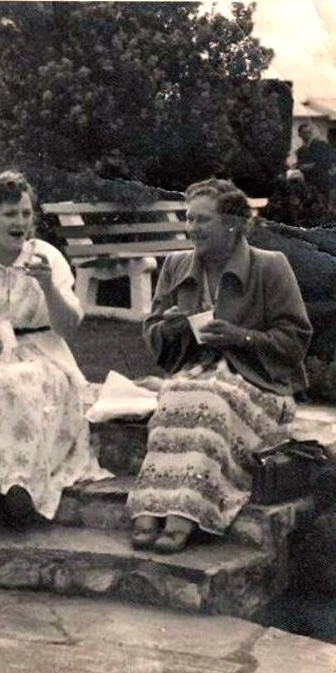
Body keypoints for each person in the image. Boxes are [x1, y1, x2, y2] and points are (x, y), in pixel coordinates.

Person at [127, 179, 312, 554]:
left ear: (231, 223)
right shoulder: (177, 265)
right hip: (198, 379)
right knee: (176, 392)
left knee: (208, 398)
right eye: (189, 219)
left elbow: (294, 341)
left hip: (261, 387)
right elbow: (154, 335)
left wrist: (239, 337)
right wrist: (171, 328)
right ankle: (150, 505)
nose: (192, 228)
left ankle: (186, 512)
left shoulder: (270, 267)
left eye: (203, 220)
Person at [0, 171, 111, 530]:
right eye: (10, 214)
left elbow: (68, 327)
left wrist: (48, 286)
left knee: (25, 379)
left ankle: (20, 485)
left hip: (43, 352)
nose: (21, 223)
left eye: (26, 214)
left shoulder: (46, 258)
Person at [295, 123, 332, 213]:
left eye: (309, 132)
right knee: (311, 207)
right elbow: (300, 165)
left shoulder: (321, 145)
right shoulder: (300, 151)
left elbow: (326, 162)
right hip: (308, 182)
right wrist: (299, 167)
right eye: (304, 133)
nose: (307, 135)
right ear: (300, 135)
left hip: (321, 181)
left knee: (323, 206)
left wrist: (310, 166)